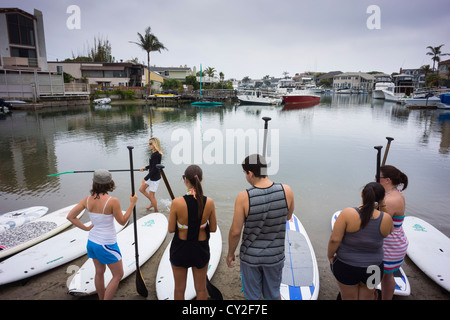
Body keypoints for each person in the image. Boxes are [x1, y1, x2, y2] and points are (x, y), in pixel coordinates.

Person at [226, 154, 294, 300]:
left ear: (250, 173)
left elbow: (235, 232)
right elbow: (288, 217)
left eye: (245, 174)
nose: (245, 177)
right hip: (275, 256)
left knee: (253, 297)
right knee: (274, 295)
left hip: (251, 258)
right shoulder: (286, 191)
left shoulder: (244, 197)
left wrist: (230, 253)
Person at [66, 169, 138, 300]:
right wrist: (132, 204)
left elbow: (70, 216)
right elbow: (122, 221)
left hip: (92, 242)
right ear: (109, 183)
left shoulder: (87, 200)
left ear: (94, 183)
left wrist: (86, 228)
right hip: (106, 244)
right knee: (118, 275)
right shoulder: (112, 201)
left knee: (99, 272)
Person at [328, 182, 394, 300]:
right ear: (382, 199)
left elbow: (334, 240)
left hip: (346, 265)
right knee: (368, 296)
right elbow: (389, 230)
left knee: (348, 297)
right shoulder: (386, 219)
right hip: (374, 267)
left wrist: (330, 255)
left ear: (362, 194)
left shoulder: (348, 213)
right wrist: (382, 204)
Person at [168, 165, 217, 300]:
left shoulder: (177, 202)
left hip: (180, 248)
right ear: (201, 179)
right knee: (201, 289)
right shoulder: (209, 202)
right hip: (200, 249)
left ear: (185, 180)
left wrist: (184, 226)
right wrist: (199, 226)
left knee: (179, 289)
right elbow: (213, 229)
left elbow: (171, 229)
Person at [379, 165, 409, 300]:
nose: (374, 179)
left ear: (387, 180)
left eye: (377, 177)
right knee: (387, 275)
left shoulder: (391, 200)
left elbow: (377, 222)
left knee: (373, 273)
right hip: (395, 241)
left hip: (389, 246)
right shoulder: (393, 193)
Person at [139, 137, 162, 211]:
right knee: (141, 189)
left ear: (154, 144)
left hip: (155, 178)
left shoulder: (157, 154)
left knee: (152, 195)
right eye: (148, 143)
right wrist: (145, 167)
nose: (149, 145)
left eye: (150, 144)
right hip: (151, 176)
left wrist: (145, 178)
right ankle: (152, 202)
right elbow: (152, 165)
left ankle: (156, 211)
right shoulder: (153, 153)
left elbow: (155, 169)